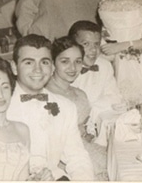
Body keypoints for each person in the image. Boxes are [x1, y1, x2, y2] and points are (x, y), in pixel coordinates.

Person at [8, 34, 94, 180]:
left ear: (52, 66)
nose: (38, 70)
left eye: (44, 62)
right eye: (29, 63)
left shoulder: (66, 107)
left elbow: (77, 157)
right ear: (14, 67)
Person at [46, 36, 108, 180]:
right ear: (53, 63)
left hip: (84, 148)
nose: (73, 68)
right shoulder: (47, 95)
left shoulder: (79, 93)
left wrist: (87, 133)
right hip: (64, 160)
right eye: (65, 61)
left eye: (78, 61)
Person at [68, 20, 125, 124]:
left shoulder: (104, 66)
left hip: (96, 121)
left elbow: (115, 97)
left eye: (96, 44)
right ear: (72, 45)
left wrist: (92, 109)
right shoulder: (65, 69)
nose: (93, 50)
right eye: (86, 44)